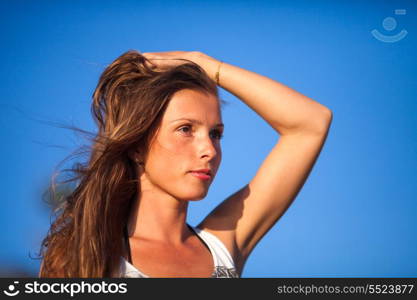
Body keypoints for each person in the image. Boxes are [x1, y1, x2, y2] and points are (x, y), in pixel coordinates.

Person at [37, 50, 332, 278]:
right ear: (137, 146)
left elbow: (311, 123)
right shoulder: (85, 255)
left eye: (215, 134)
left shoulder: (222, 248)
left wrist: (203, 63)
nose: (209, 150)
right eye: (185, 129)